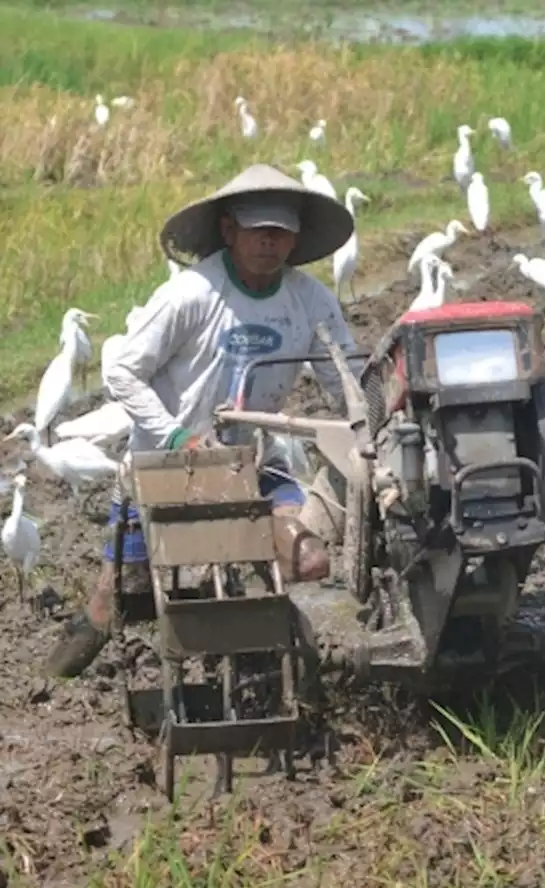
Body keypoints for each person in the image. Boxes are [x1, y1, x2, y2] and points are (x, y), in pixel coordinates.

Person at [46, 163, 361, 679]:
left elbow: (345, 381)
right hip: (166, 465)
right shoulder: (192, 295)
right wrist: (175, 432)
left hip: (254, 462)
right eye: (258, 232)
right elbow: (123, 370)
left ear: (295, 239)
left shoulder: (310, 301)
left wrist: (374, 421)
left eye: (280, 234)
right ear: (229, 231)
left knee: (306, 561)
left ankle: (274, 670)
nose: (269, 244)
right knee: (118, 598)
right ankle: (51, 687)